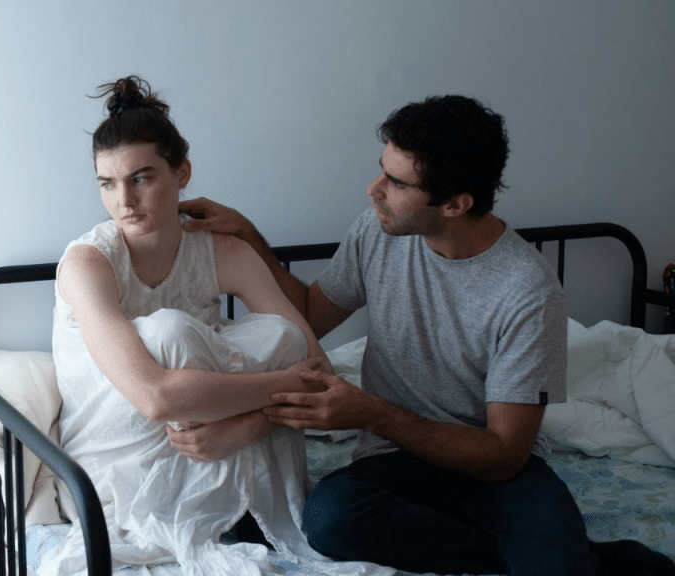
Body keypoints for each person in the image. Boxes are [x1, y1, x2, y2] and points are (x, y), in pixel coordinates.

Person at [175, 95, 675, 575]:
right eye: (382, 169)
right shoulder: (378, 232)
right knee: (330, 519)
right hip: (392, 463)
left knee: (555, 563)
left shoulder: (529, 292)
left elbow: (504, 454)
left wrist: (368, 411)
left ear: (456, 205)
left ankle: (552, 556)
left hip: (490, 469)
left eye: (395, 183)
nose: (373, 189)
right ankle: (564, 558)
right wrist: (248, 236)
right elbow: (307, 313)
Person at [47, 76, 378, 576]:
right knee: (170, 333)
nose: (124, 201)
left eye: (142, 177)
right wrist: (282, 388)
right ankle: (194, 510)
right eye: (107, 183)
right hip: (117, 448)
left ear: (182, 173)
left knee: (281, 334)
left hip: (209, 432)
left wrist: (249, 425)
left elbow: (317, 364)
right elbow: (156, 399)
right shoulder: (87, 263)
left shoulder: (224, 252)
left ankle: (236, 506)